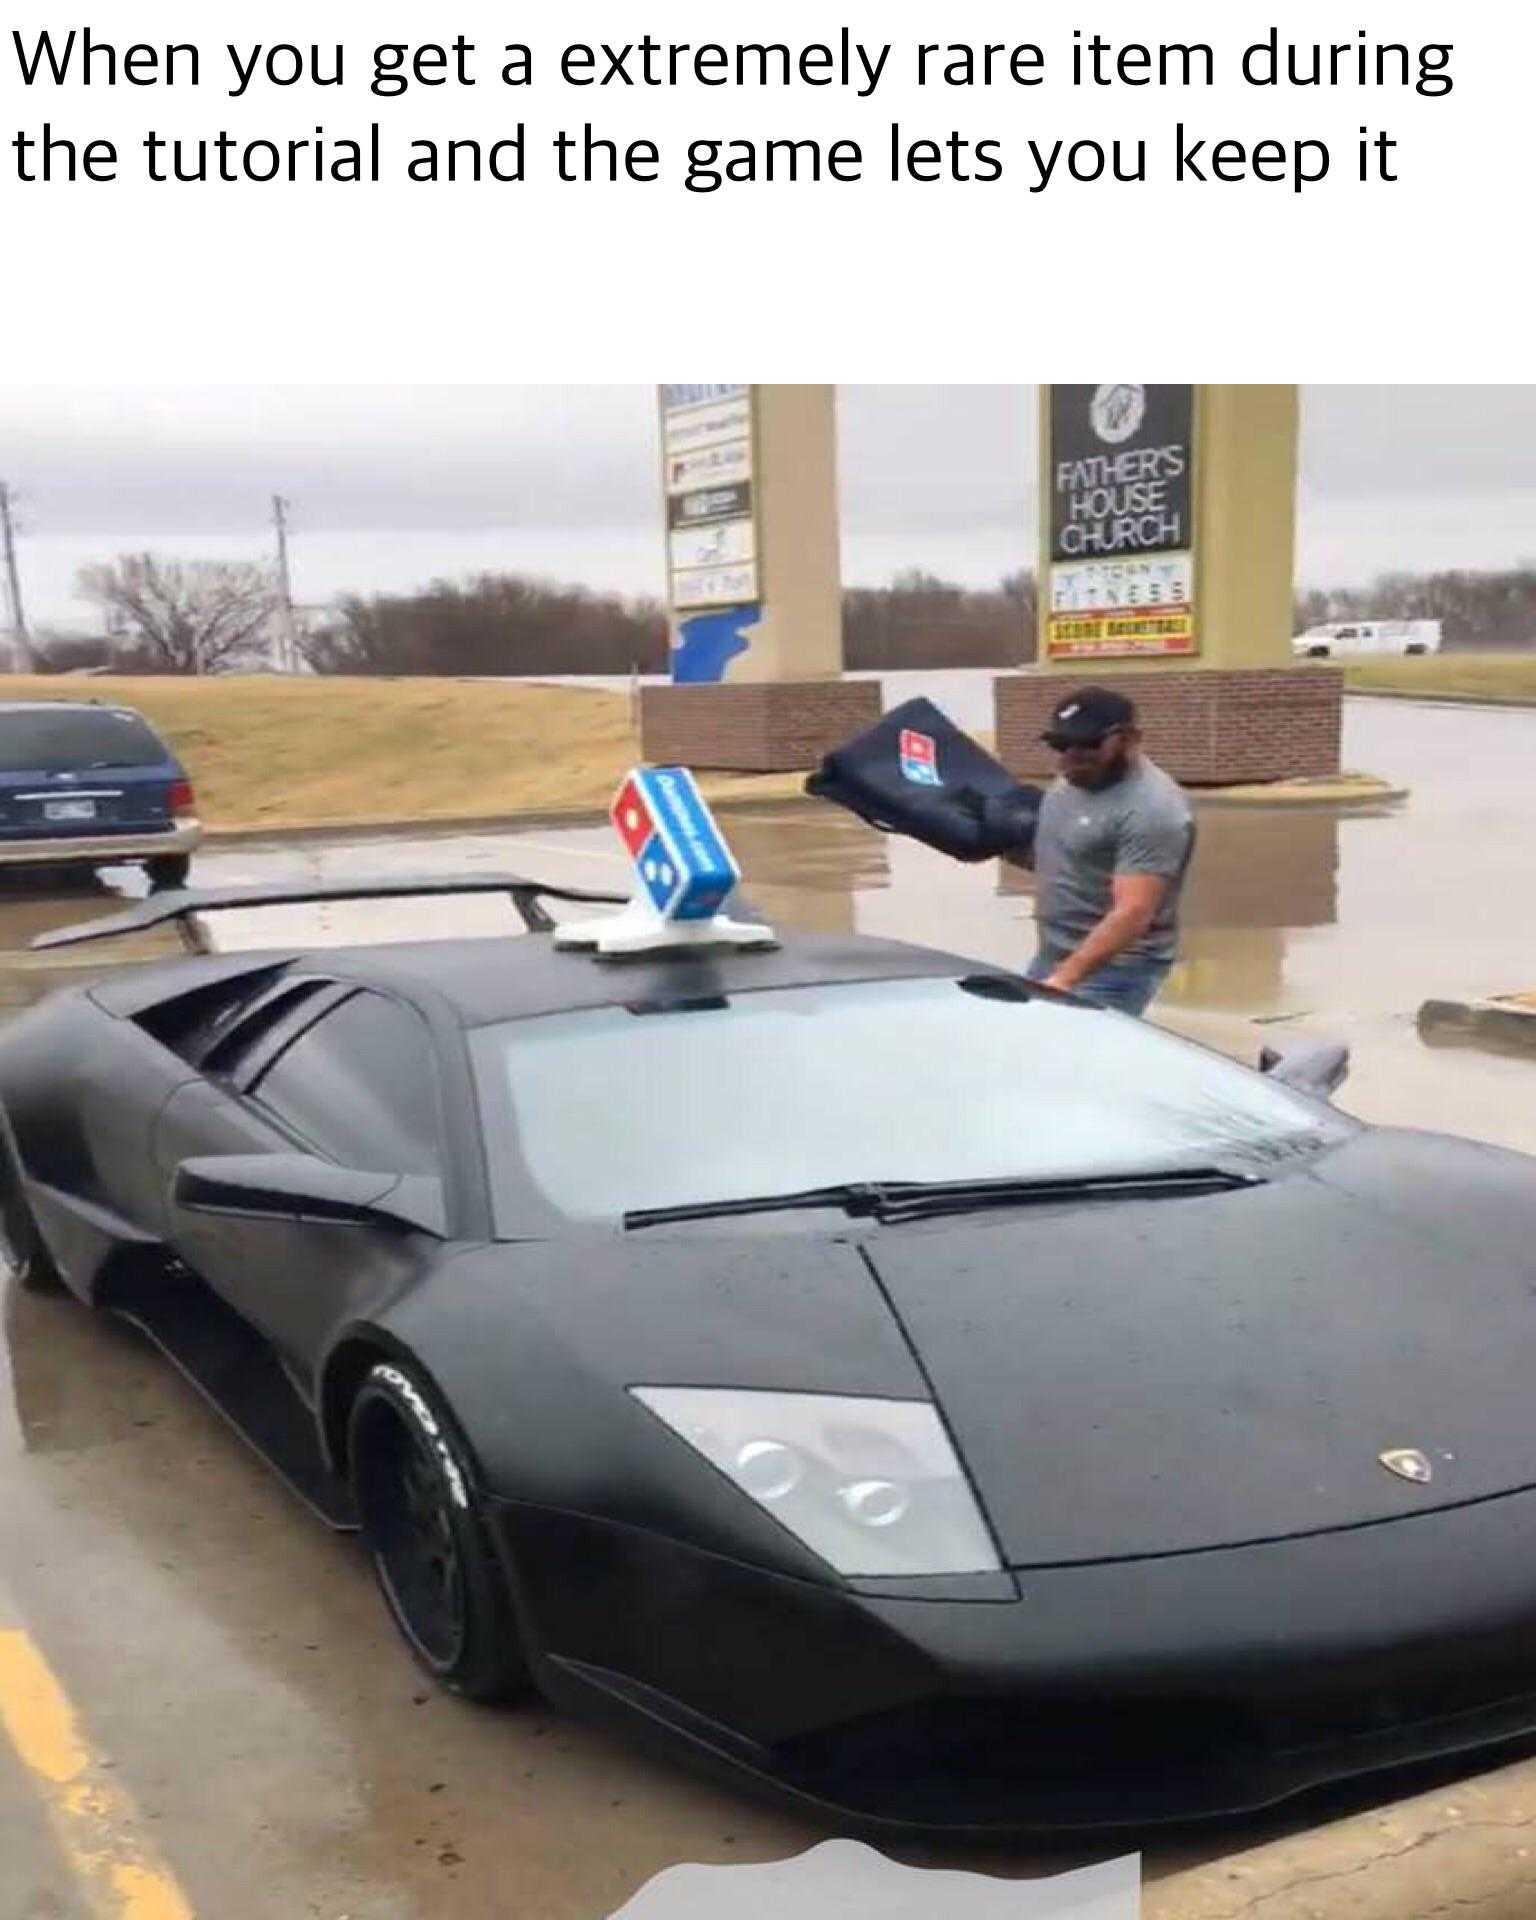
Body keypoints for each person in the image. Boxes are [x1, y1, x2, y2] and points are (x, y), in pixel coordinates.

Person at [1024, 686, 1194, 1017]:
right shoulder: (1070, 782)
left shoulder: (1152, 808)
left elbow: (1133, 912)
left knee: (1077, 1061)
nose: (1071, 755)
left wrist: (1063, 980)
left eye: (1087, 744)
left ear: (1129, 739)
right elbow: (1065, 859)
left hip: (1117, 968)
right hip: (1054, 955)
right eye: (1061, 744)